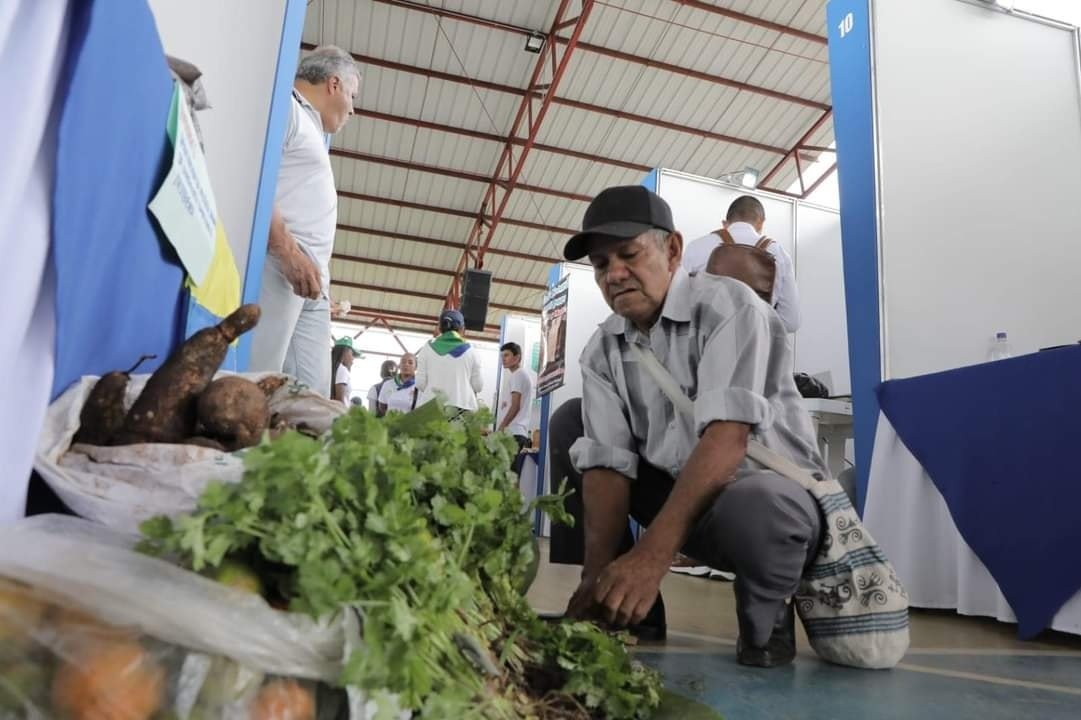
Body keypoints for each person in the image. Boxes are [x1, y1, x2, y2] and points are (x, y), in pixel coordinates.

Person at [550, 185, 826, 668]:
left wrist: (652, 559)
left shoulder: (730, 307)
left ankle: (768, 613)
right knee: (572, 424)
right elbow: (607, 469)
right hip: (691, 508)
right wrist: (595, 581)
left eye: (629, 254)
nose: (614, 274)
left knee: (758, 501)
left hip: (768, 508)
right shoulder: (603, 350)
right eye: (600, 264)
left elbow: (727, 441)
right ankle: (628, 607)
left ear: (673, 250)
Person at [248, 46, 361, 396]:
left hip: (312, 281)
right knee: (260, 377)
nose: (353, 108)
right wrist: (288, 251)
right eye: (353, 96)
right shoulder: (288, 109)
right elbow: (254, 177)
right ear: (334, 84)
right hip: (283, 266)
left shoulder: (312, 129)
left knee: (311, 396)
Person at [681, 195, 801, 333]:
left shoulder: (697, 246)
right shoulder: (779, 254)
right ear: (761, 223)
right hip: (756, 349)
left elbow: (680, 307)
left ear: (725, 223)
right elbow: (791, 322)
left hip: (704, 346)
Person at [415, 309, 483, 414]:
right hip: (462, 410)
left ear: (440, 328)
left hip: (432, 409)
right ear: (462, 329)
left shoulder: (427, 348)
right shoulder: (472, 351)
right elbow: (478, 386)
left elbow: (420, 383)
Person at [497, 343, 535, 474]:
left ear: (517, 357)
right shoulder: (519, 375)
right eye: (502, 356)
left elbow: (515, 405)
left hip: (513, 432)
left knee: (508, 476)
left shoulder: (518, 375)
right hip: (516, 432)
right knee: (510, 475)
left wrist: (502, 426)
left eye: (506, 355)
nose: (503, 359)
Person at [330, 336, 356, 405]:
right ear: (345, 352)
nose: (353, 358)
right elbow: (340, 400)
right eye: (352, 354)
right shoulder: (342, 370)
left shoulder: (333, 368)